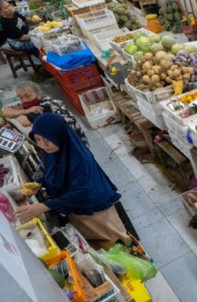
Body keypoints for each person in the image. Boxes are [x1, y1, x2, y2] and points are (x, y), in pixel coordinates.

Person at [15, 114, 130, 245]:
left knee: (118, 244)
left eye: (47, 140)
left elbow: (83, 192)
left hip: (96, 212)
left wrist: (44, 206)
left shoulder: (80, 159)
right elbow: (54, 174)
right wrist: (38, 184)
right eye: (38, 139)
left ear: (58, 136)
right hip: (76, 210)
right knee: (99, 246)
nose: (43, 145)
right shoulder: (53, 153)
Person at [1, 81, 88, 145]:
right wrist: (26, 110)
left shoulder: (45, 106)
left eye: (27, 96)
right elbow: (3, 111)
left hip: (74, 143)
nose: (24, 100)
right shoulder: (32, 105)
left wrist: (21, 112)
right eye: (20, 97)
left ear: (38, 94)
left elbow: (24, 122)